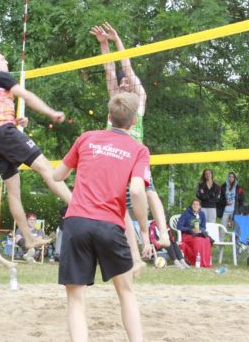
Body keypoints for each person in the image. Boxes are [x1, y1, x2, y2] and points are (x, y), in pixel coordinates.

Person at [52, 92, 151, 342]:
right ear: (133, 122)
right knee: (126, 292)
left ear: (108, 117)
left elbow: (57, 176)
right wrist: (144, 232)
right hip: (109, 225)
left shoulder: (86, 138)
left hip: (76, 222)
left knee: (75, 298)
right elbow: (138, 190)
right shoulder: (138, 149)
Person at [90, 23, 170, 270]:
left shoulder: (138, 99)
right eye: (122, 84)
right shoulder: (116, 102)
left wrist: (117, 41)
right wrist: (103, 45)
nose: (123, 84)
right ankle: (136, 257)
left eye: (127, 83)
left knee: (148, 190)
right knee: (120, 207)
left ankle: (163, 234)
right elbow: (109, 71)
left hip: (134, 156)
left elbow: (125, 66)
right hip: (114, 158)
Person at [0, 48, 71, 252]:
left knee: (13, 191)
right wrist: (51, 112)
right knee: (46, 167)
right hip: (4, 133)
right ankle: (78, 205)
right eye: (2, 59)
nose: (6, 63)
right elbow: (26, 95)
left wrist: (14, 121)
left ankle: (28, 238)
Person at [176, 198, 213, 268]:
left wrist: (200, 230)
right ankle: (196, 261)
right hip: (187, 235)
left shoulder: (202, 214)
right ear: (191, 205)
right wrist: (190, 229)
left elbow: (203, 226)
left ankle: (204, 262)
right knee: (198, 241)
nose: (195, 206)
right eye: (194, 204)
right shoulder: (186, 213)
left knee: (207, 240)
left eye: (197, 204)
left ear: (200, 206)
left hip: (198, 234)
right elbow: (179, 226)